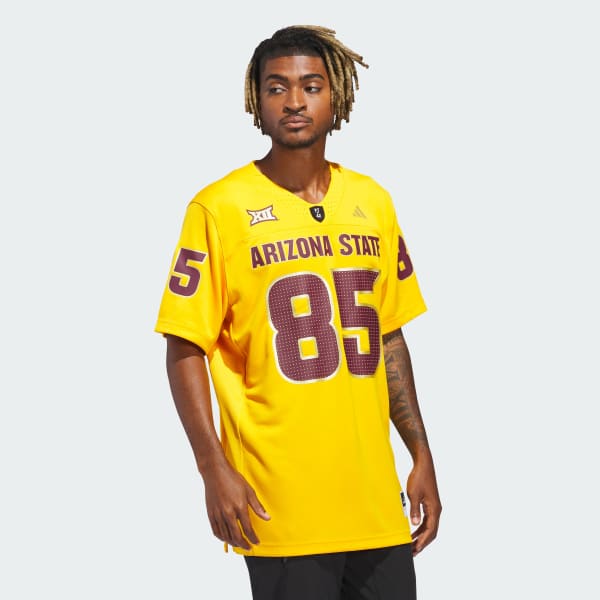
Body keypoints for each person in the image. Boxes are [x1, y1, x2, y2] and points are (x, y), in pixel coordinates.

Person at [155, 25, 441, 600]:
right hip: (279, 506)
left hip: (374, 504)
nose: (293, 101)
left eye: (310, 86)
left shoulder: (373, 201)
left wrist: (421, 453)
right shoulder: (218, 207)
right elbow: (185, 344)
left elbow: (388, 337)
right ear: (255, 102)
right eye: (276, 87)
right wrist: (213, 468)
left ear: (336, 98)